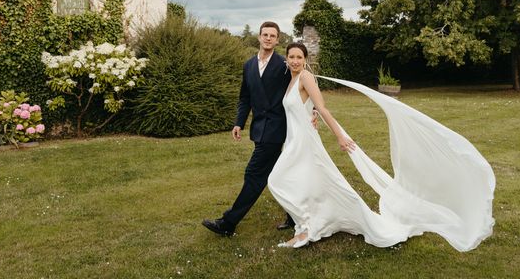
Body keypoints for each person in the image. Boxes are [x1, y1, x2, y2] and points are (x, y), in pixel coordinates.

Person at [267, 42, 495, 251]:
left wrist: (339, 136)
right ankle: (309, 223)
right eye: (291, 57)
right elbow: (305, 107)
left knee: (278, 180)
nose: (295, 60)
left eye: (299, 57)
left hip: (305, 142)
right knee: (310, 183)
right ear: (286, 59)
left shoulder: (305, 76)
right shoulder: (291, 80)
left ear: (305, 59)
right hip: (294, 141)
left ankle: (308, 227)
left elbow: (323, 107)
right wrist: (311, 113)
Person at [202, 21, 295, 236]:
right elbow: (245, 98)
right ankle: (295, 216)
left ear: (278, 40)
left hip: (276, 130)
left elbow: (301, 86)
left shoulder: (284, 64)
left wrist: (313, 111)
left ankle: (228, 223)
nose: (269, 38)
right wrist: (238, 122)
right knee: (280, 174)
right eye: (265, 34)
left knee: (254, 174)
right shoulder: (249, 65)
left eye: (273, 35)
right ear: (259, 37)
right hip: (258, 128)